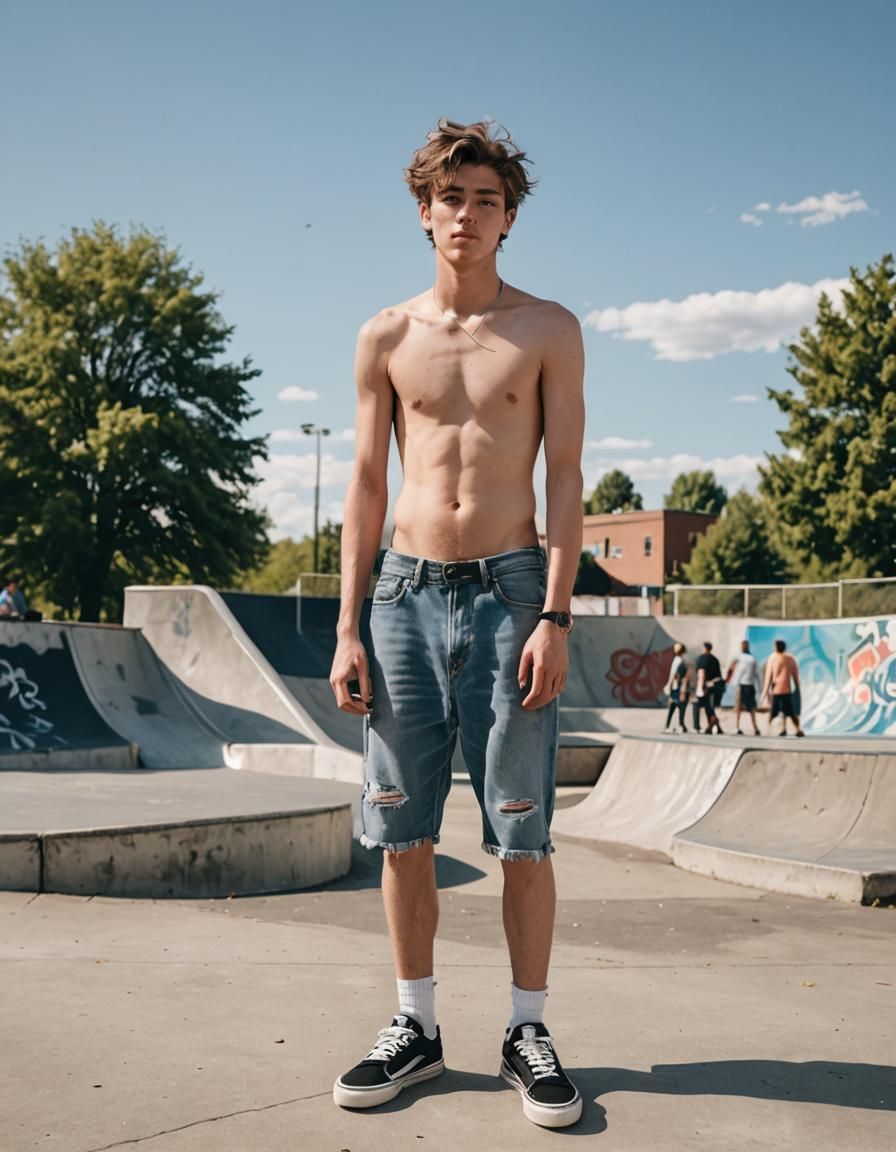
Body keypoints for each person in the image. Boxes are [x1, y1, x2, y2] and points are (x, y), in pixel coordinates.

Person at [329, 120, 585, 1128]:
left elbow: (565, 480)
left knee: (520, 827)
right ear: (423, 212)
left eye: (486, 200)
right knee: (399, 825)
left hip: (513, 589)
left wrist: (555, 614)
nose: (466, 214)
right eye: (450, 198)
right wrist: (347, 625)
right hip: (400, 593)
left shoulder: (546, 329)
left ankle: (526, 1030)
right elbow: (359, 484)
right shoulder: (384, 336)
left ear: (507, 217)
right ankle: (414, 1027)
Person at [762, 639, 805, 737]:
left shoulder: (773, 658)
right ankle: (794, 730)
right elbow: (795, 674)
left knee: (775, 712)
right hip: (786, 690)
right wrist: (797, 687)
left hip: (777, 690)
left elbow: (770, 675)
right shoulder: (790, 658)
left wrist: (768, 688)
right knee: (789, 712)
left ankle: (768, 730)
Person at [727, 639, 761, 736]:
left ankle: (739, 727)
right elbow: (757, 674)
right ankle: (753, 727)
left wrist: (731, 681)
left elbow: (734, 669)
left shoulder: (741, 657)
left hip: (743, 685)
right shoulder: (752, 658)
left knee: (740, 707)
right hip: (748, 685)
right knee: (750, 708)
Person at [693, 641, 724, 735]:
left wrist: (700, 688)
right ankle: (716, 728)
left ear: (705, 648)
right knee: (709, 708)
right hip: (715, 687)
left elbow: (702, 673)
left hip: (705, 687)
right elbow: (719, 676)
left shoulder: (702, 659)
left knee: (698, 706)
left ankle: (697, 727)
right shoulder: (715, 659)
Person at [663, 642, 689, 733]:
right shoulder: (680, 660)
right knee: (678, 706)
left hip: (675, 686)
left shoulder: (677, 660)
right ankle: (679, 725)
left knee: (674, 706)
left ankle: (671, 725)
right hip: (677, 686)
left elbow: (674, 674)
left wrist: (669, 685)